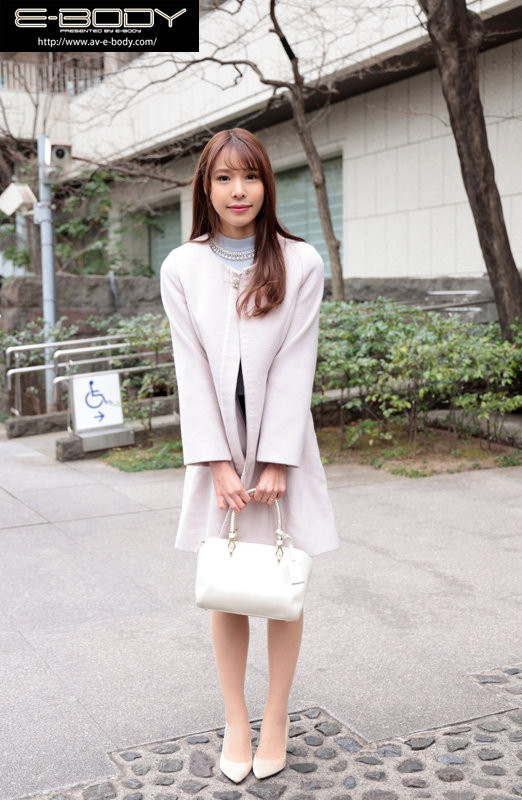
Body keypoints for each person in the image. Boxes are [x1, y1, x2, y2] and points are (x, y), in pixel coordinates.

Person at [159, 128, 340, 783]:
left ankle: (276, 713)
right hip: (219, 447)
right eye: (224, 178)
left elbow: (296, 362)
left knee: (283, 581)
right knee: (227, 585)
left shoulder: (301, 261)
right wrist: (214, 462)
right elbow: (190, 369)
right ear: (205, 188)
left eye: (251, 176)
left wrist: (277, 460)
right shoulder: (181, 267)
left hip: (280, 445)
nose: (239, 191)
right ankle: (236, 719)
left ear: (267, 183)